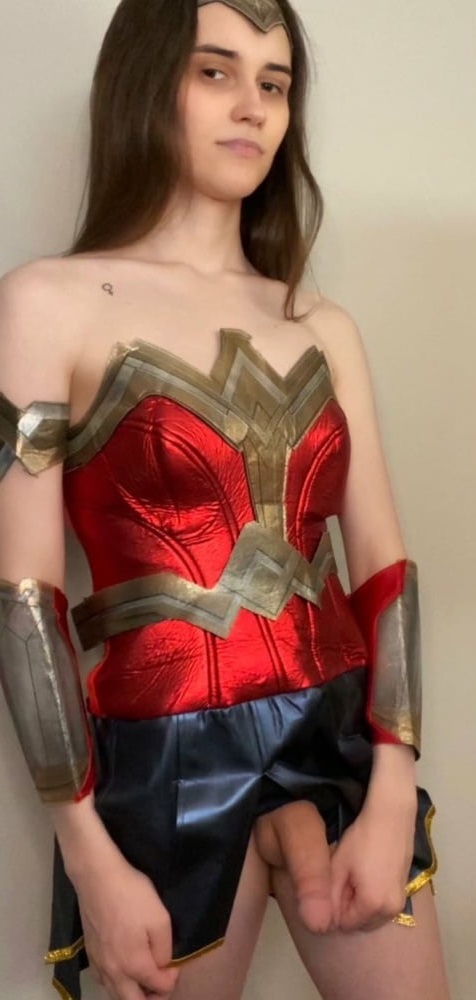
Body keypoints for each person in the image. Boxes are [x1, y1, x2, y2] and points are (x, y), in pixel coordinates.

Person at [0, 1, 450, 998]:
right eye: (215, 71)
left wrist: (392, 786)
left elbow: (383, 566)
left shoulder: (320, 324)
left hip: (340, 738)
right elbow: (24, 604)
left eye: (273, 83)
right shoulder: (44, 303)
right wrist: (87, 855)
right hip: (162, 762)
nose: (252, 106)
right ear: (146, 83)